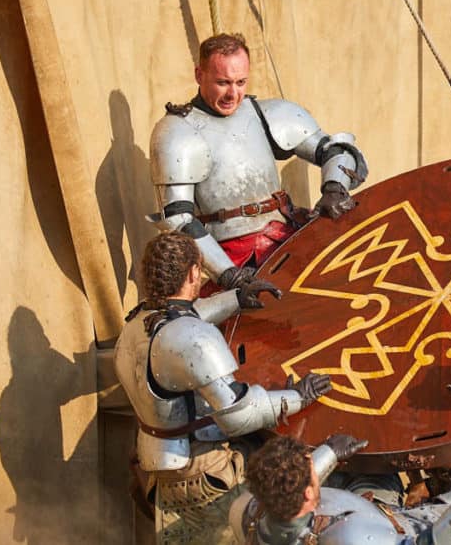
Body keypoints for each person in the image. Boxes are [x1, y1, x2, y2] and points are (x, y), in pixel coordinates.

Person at [114, 232, 333, 543]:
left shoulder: (136, 325)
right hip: (211, 476)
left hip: (162, 474)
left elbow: (178, 324)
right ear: (193, 273)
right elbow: (238, 414)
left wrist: (235, 299)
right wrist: (298, 395)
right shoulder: (192, 337)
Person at [148, 33, 369, 292]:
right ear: (199, 75)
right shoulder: (177, 132)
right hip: (233, 259)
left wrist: (334, 188)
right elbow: (179, 220)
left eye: (241, 82)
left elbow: (337, 150)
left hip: (291, 238)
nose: (233, 93)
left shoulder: (262, 113)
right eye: (223, 82)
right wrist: (228, 275)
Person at [230, 435, 451, 544]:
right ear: (309, 496)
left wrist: (331, 453)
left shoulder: (247, 511)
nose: (317, 467)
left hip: (377, 515)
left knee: (378, 468)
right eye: (312, 468)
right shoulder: (352, 540)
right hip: (411, 531)